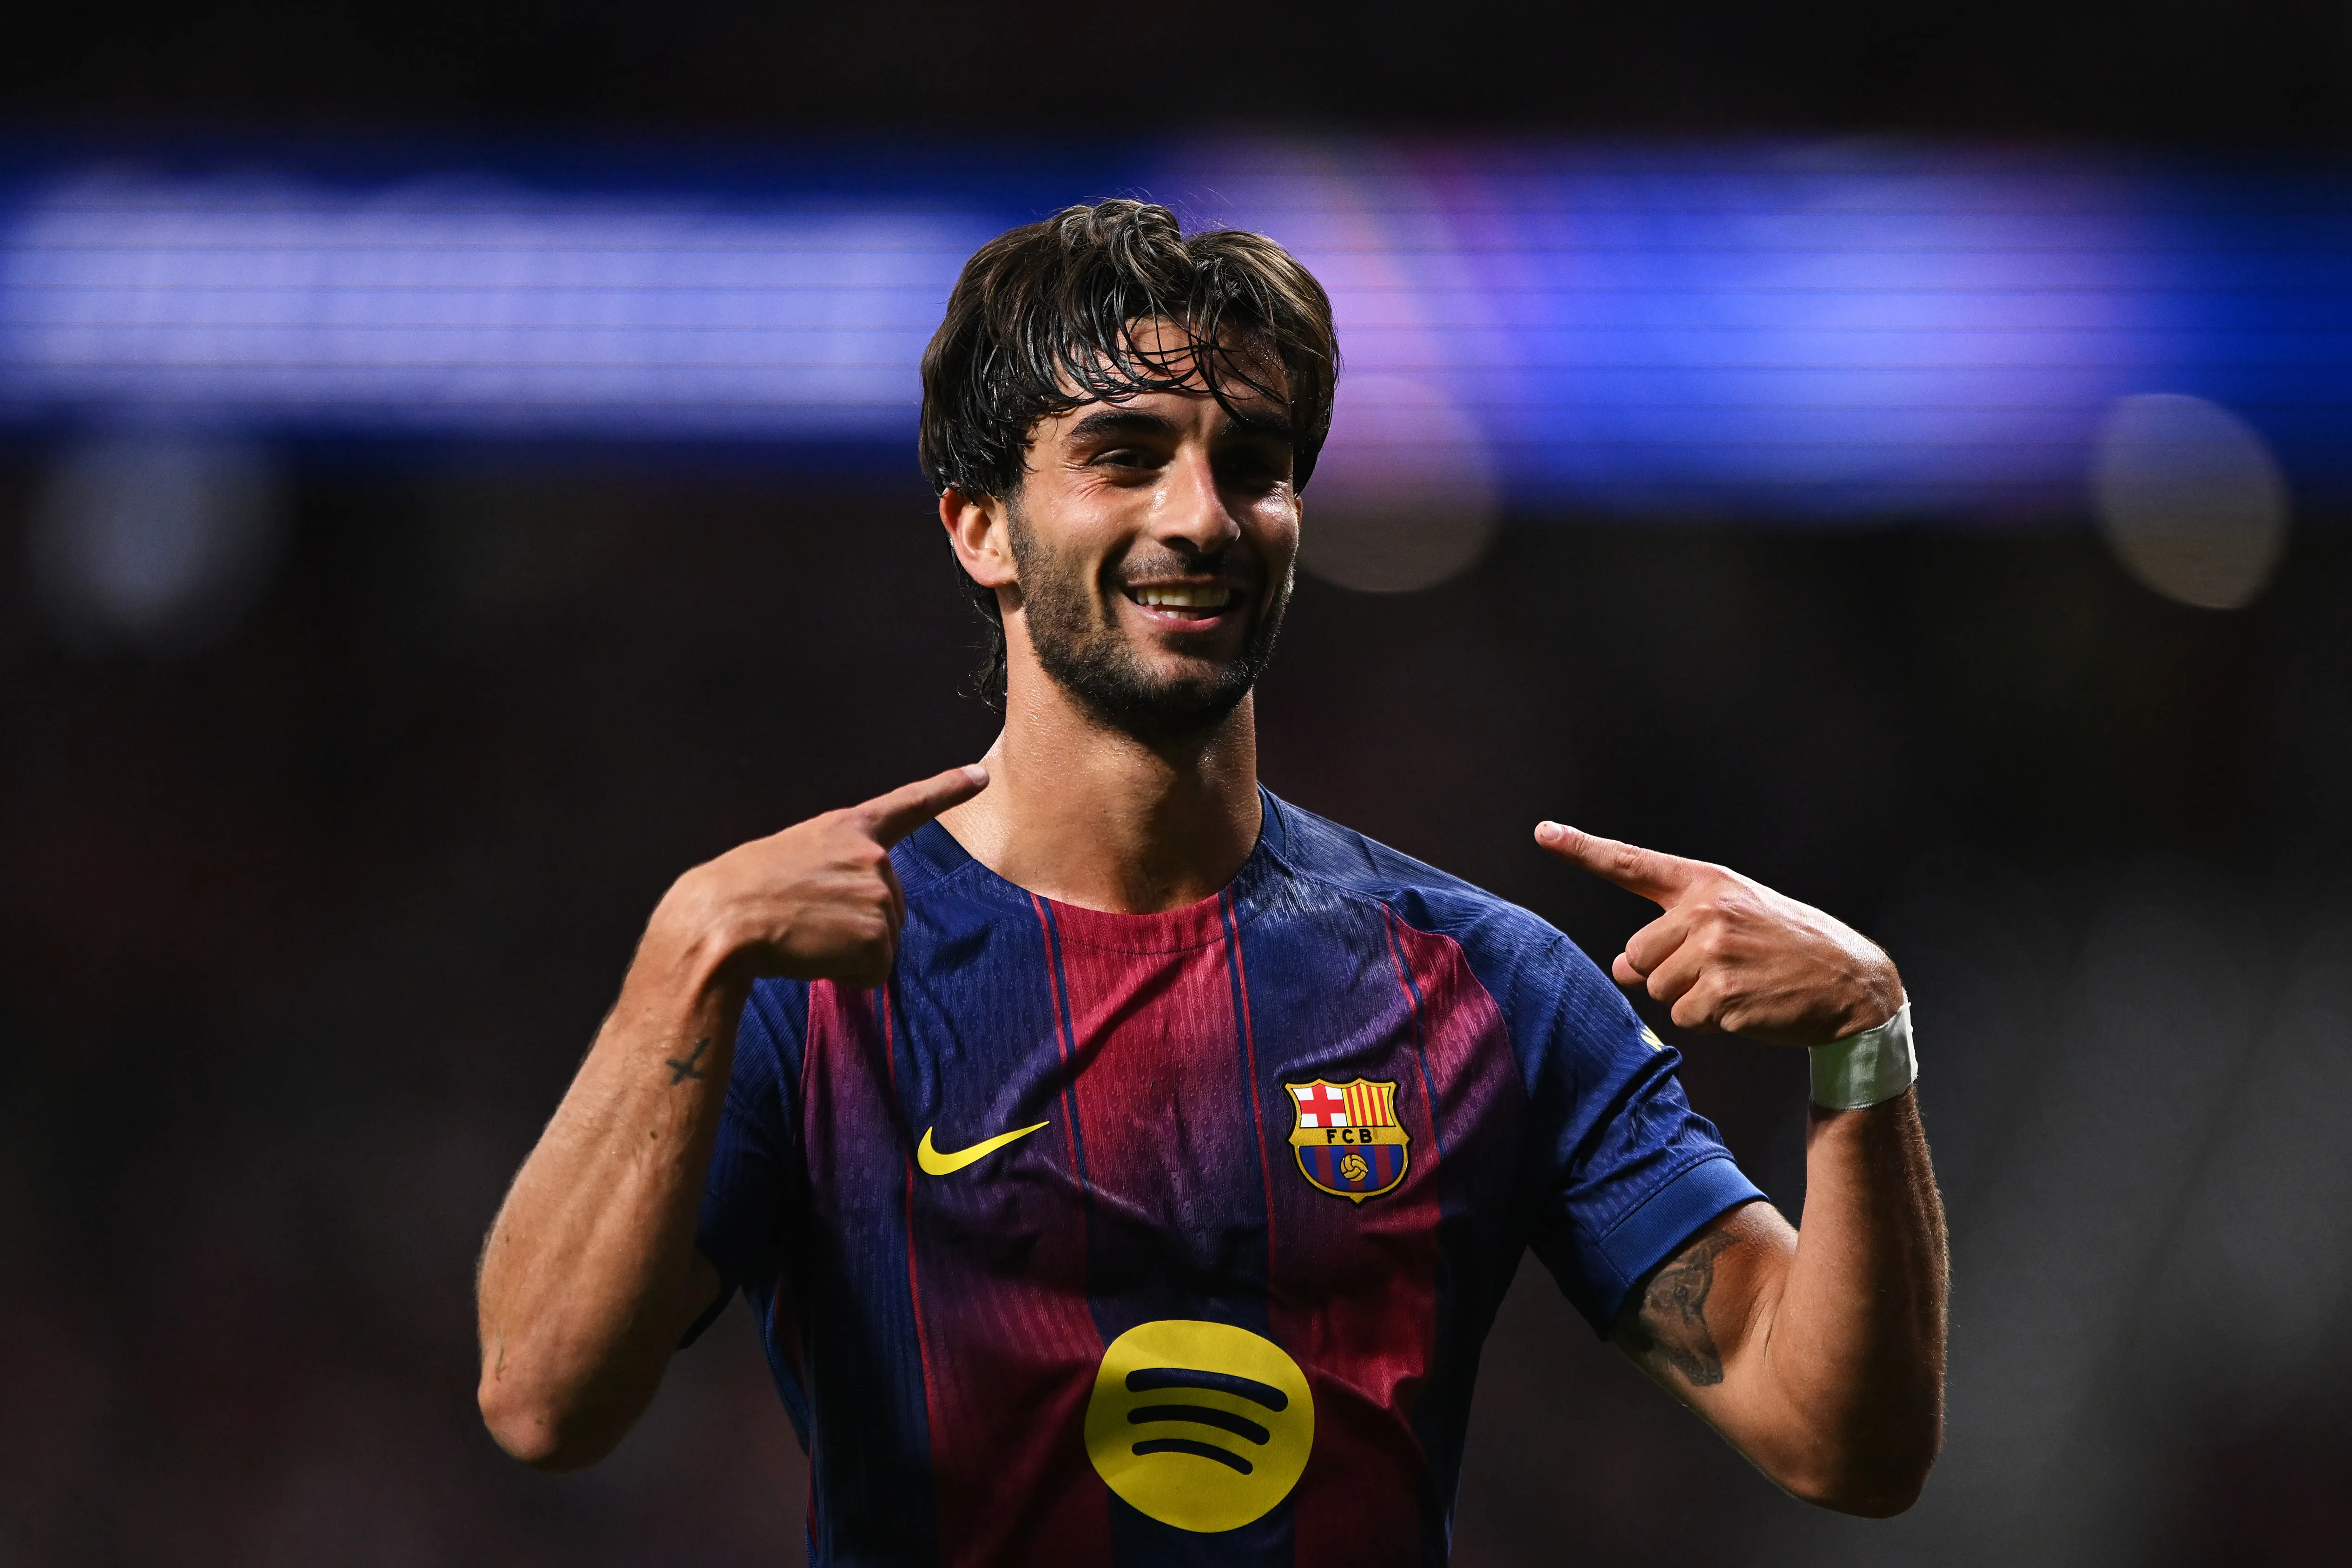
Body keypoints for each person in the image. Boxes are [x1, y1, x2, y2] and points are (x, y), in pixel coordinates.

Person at [475, 200, 1947, 1565]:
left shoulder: (1485, 986)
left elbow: (1840, 1441)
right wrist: (682, 954)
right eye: (1123, 455)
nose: (1199, 514)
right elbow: (543, 1402)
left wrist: (1863, 1045)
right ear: (978, 525)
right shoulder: (813, 983)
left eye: (1251, 463)